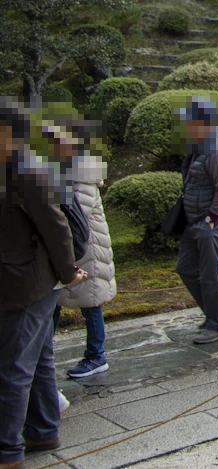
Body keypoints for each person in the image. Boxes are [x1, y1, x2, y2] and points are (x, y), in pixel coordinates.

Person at [1, 100, 86, 468]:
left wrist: (68, 274)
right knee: (38, 359)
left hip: (28, 283)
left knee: (14, 366)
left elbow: (57, 228)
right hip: (17, 278)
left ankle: (7, 451)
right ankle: (43, 429)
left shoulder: (26, 170)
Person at [47, 123, 116, 379]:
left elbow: (73, 217)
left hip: (89, 251)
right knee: (53, 302)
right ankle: (43, 352)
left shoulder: (80, 176)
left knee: (91, 303)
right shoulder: (67, 173)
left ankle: (96, 356)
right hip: (75, 249)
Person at [174, 99, 218, 345]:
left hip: (211, 222)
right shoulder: (198, 146)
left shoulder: (215, 150)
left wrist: (211, 218)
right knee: (186, 268)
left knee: (210, 273)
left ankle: (217, 324)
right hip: (194, 220)